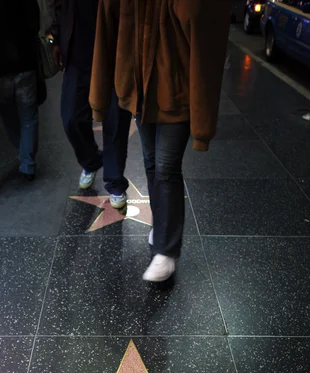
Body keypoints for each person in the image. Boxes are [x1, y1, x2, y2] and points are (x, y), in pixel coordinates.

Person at [90, 0, 232, 282]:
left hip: (175, 90)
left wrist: (203, 126)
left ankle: (166, 249)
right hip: (140, 91)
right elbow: (107, 25)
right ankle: (162, 227)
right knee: (152, 163)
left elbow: (204, 30)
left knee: (166, 167)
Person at [49, 0, 131, 209]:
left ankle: (114, 181)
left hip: (114, 48)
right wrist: (56, 38)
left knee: (115, 119)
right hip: (78, 49)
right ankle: (91, 160)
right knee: (70, 117)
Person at [0, 0, 41, 182]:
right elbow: (34, 22)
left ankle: (24, 154)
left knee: (8, 117)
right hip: (25, 60)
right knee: (29, 116)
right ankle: (27, 163)